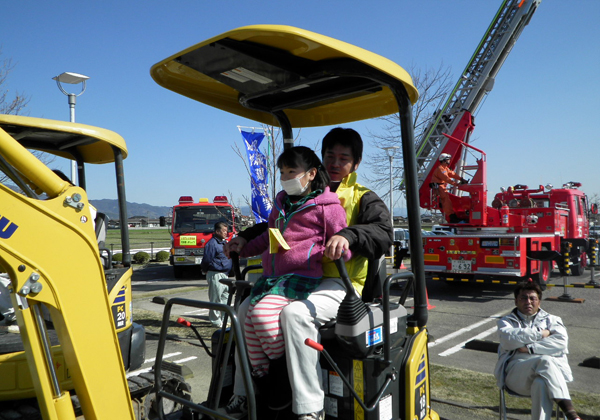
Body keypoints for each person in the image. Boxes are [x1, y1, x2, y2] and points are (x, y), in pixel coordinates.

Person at [224, 128, 392, 420]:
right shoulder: (302, 194)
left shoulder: (362, 198)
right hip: (297, 277)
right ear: (320, 159)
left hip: (340, 282)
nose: (336, 162)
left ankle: (308, 408)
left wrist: (349, 236)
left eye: (344, 158)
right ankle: (245, 393)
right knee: (242, 310)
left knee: (296, 316)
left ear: (356, 163)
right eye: (330, 156)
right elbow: (277, 228)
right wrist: (245, 238)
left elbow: (383, 233)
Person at [238, 146, 350, 382]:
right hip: (273, 277)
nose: (285, 178)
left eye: (291, 171)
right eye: (282, 172)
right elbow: (267, 237)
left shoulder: (327, 207)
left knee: (259, 315)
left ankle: (282, 369)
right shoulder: (281, 204)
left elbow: (342, 240)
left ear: (311, 174)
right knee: (246, 317)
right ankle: (262, 378)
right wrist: (243, 247)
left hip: (300, 277)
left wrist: (338, 247)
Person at [494, 282, 581, 420]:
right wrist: (541, 333)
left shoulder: (553, 320)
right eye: (523, 298)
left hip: (548, 377)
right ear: (516, 301)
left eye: (532, 298)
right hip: (516, 375)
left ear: (539, 302)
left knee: (540, 383)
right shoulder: (505, 322)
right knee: (545, 359)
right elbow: (508, 339)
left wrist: (529, 348)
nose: (528, 302)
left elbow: (560, 342)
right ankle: (571, 414)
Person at [200, 222, 232, 328]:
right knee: (216, 298)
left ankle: (224, 319)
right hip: (215, 274)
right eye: (224, 231)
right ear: (217, 231)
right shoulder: (212, 244)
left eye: (226, 231)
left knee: (225, 297)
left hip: (225, 274)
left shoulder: (223, 242)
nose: (226, 233)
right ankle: (216, 321)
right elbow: (207, 260)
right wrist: (205, 270)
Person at [431, 153, 466, 223]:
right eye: (448, 159)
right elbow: (447, 178)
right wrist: (456, 184)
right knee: (446, 202)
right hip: (439, 187)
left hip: (441, 186)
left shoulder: (445, 168)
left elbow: (452, 174)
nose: (449, 160)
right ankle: (452, 217)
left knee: (448, 201)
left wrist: (461, 178)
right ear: (444, 160)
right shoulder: (440, 169)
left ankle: (453, 216)